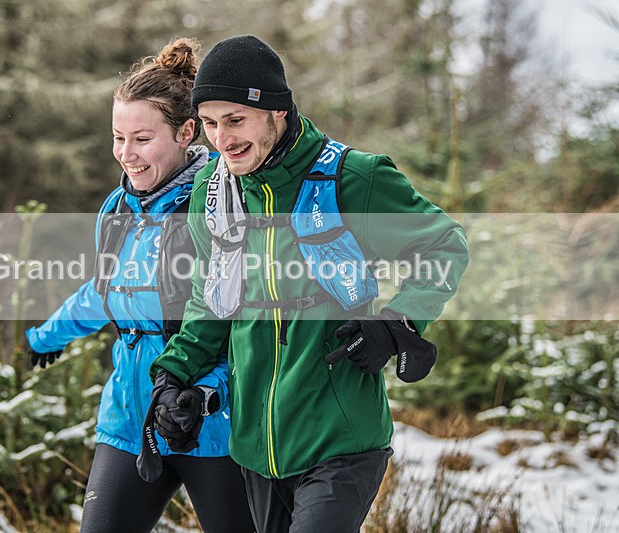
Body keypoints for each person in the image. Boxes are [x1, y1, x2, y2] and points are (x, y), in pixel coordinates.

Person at [147, 35, 470, 532]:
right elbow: (209, 302)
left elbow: (445, 245)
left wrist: (396, 322)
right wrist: (173, 375)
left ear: (277, 110)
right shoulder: (212, 194)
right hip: (256, 448)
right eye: (210, 124)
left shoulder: (353, 178)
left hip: (341, 439)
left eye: (235, 120)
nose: (222, 139)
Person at [25, 38, 254, 533]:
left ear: (186, 132)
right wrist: (46, 335)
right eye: (118, 137)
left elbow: (240, 318)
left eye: (142, 139)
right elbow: (107, 289)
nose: (126, 154)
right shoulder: (118, 208)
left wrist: (203, 395)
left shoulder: (221, 204)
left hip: (211, 423)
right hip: (129, 419)